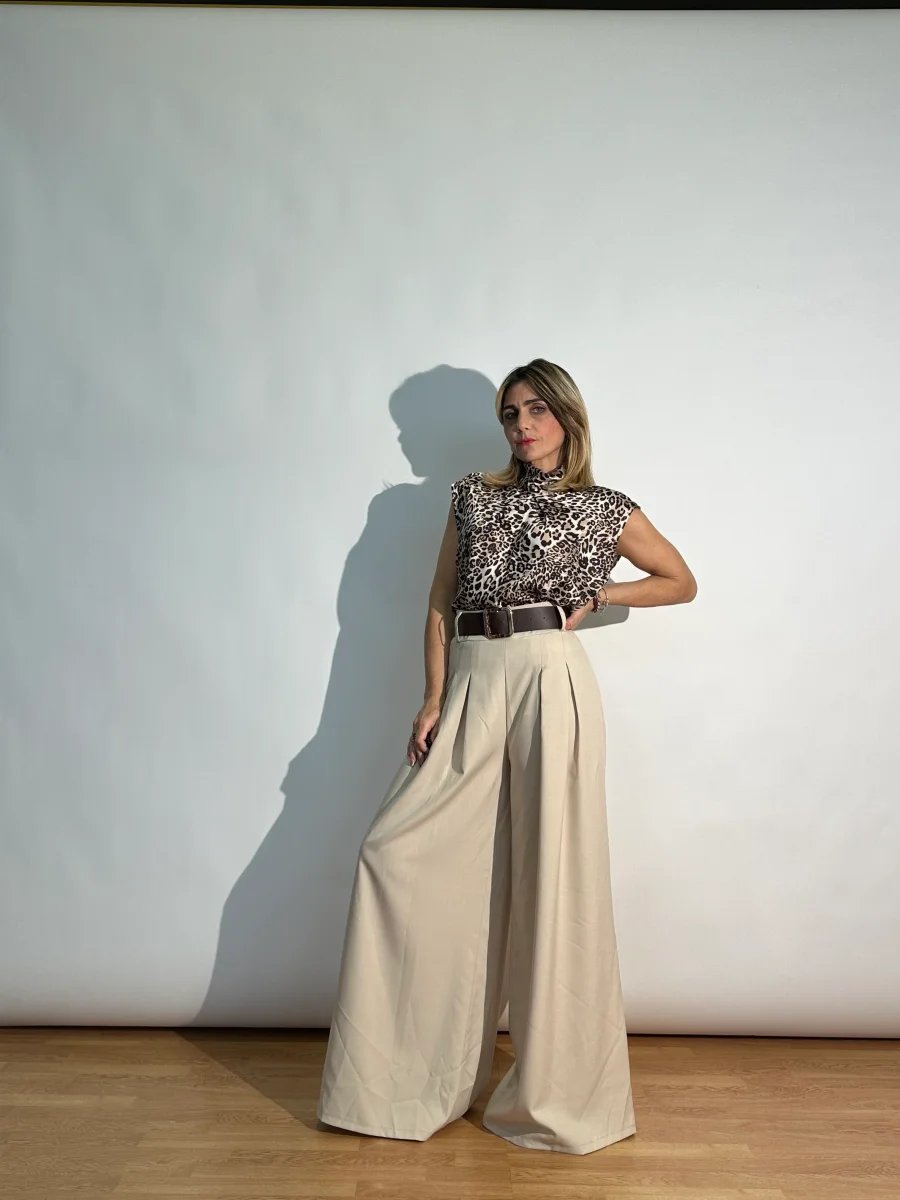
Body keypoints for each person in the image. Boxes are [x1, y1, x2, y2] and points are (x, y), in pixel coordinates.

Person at [317, 357, 697, 1154]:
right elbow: (439, 599)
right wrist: (432, 696)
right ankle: (398, 1084)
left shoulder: (603, 507)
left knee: (555, 875)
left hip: (551, 678)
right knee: (394, 853)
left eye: (536, 411)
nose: (522, 426)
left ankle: (557, 1095)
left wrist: (604, 595)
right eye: (510, 414)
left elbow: (679, 580)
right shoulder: (472, 496)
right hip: (473, 680)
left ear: (567, 416)